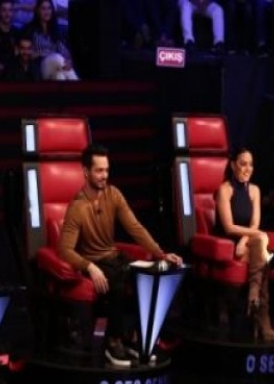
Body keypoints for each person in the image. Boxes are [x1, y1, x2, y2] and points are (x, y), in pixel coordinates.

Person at [58, 144, 183, 367]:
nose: (104, 175)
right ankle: (112, 342)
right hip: (95, 262)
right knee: (116, 280)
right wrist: (89, 267)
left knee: (147, 275)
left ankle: (132, 337)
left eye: (106, 170)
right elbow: (65, 250)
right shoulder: (77, 207)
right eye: (99, 170)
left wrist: (160, 254)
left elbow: (135, 228)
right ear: (86, 172)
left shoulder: (113, 194)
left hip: (115, 257)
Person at [214, 148, 274, 341]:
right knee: (261, 244)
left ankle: (253, 298)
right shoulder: (224, 190)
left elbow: (254, 224)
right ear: (233, 165)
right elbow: (229, 227)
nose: (247, 168)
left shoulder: (255, 190)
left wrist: (244, 240)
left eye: (250, 164)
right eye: (243, 164)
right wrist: (254, 236)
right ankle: (262, 316)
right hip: (229, 243)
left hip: (246, 243)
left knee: (259, 243)